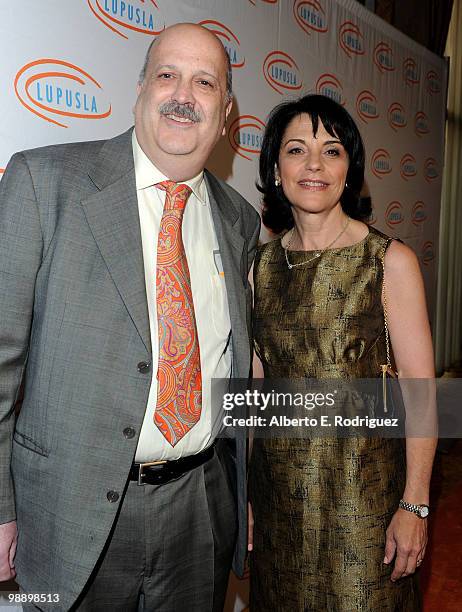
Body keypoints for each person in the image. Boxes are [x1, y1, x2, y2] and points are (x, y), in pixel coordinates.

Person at [0, 23, 260, 611]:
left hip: (200, 507)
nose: (183, 95)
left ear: (225, 118)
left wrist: (241, 492)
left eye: (205, 83)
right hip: (70, 512)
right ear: (140, 90)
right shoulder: (46, 183)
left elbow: (234, 371)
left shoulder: (241, 222)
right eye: (167, 75)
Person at [248, 94, 436, 611]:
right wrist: (246, 496)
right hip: (279, 504)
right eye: (296, 150)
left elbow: (420, 396)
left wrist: (414, 505)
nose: (313, 165)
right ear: (274, 167)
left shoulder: (389, 262)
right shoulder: (259, 270)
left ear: (349, 170)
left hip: (365, 504)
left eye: (331, 151)